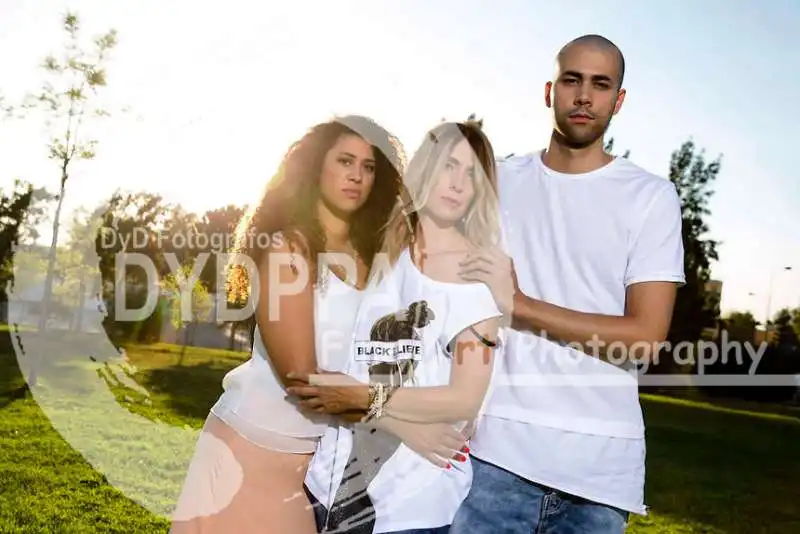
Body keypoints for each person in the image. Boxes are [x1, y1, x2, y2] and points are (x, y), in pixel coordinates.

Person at [452, 34, 685, 533]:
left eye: (600, 85)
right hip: (496, 458)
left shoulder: (650, 197)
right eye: (572, 80)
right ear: (549, 90)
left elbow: (644, 338)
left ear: (617, 101)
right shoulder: (498, 179)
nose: (584, 96)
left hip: (599, 477)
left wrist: (520, 305)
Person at [170, 115, 405, 534]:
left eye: (368, 167)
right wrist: (409, 408)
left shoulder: (375, 255)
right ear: (317, 167)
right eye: (345, 161)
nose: (356, 176)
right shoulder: (287, 248)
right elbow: (303, 376)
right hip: (251, 450)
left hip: (320, 466)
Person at [289, 120, 504, 533]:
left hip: (411, 506)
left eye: (471, 174)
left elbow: (463, 400)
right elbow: (335, 365)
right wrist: (387, 414)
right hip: (325, 484)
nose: (458, 183)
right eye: (448, 166)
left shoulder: (475, 283)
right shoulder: (378, 254)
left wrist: (358, 397)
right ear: (425, 170)